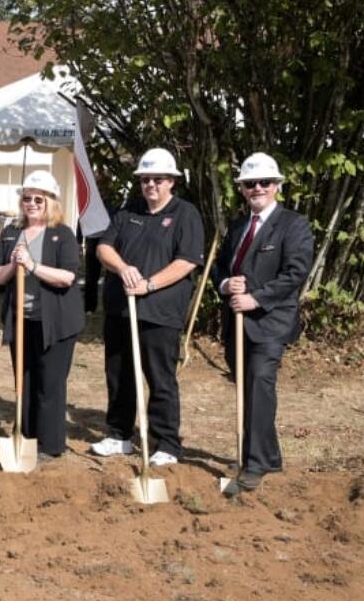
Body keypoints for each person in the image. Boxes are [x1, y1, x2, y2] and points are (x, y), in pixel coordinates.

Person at [92, 147, 204, 466]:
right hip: (121, 309)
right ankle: (119, 435)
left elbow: (186, 262)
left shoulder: (186, 214)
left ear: (171, 181)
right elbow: (103, 248)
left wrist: (150, 284)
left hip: (160, 312)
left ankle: (166, 442)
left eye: (157, 179)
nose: (150, 185)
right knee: (119, 375)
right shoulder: (128, 212)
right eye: (145, 179)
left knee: (160, 378)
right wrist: (123, 267)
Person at [213, 153, 313, 493]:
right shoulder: (238, 226)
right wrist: (226, 285)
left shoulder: (294, 225)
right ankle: (268, 455)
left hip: (270, 321)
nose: (257, 188)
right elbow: (220, 269)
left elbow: (295, 273)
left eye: (264, 183)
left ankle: (254, 465)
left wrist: (256, 298)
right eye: (250, 183)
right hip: (236, 322)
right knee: (246, 387)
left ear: (277, 186)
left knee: (259, 383)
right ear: (242, 189)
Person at [0, 170, 85, 461]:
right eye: (27, 198)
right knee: (25, 379)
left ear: (50, 202)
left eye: (38, 199)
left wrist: (31, 265)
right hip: (21, 319)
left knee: (49, 383)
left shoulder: (63, 234)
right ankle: (27, 436)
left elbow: (67, 277)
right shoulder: (10, 232)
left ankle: (50, 445)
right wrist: (13, 263)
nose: (31, 204)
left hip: (55, 322)